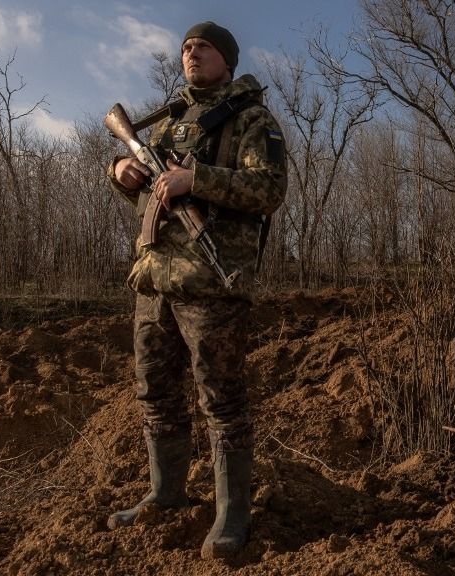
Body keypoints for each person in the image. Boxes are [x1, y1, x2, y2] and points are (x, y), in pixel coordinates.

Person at [105, 21, 287, 560]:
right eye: (186, 48)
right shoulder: (166, 121)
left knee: (222, 401)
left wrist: (197, 180)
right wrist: (120, 171)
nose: (191, 54)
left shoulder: (251, 119)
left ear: (226, 60)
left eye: (202, 47)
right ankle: (165, 494)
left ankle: (231, 514)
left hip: (212, 284)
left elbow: (268, 190)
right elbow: (133, 175)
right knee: (155, 392)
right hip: (153, 279)